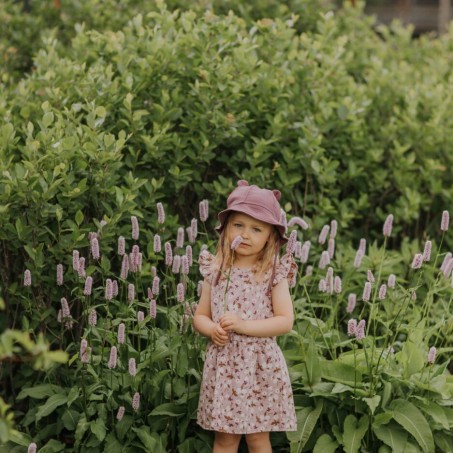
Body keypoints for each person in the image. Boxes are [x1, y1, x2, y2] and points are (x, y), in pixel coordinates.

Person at [193, 180, 297, 453]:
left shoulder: (273, 272)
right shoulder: (215, 269)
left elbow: (285, 321)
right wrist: (211, 329)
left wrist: (243, 325)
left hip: (258, 369)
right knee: (225, 440)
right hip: (225, 368)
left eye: (256, 228)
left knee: (257, 439)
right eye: (238, 225)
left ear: (270, 235)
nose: (246, 234)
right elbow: (200, 316)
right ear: (226, 228)